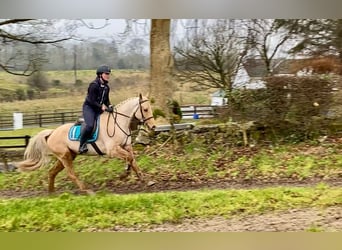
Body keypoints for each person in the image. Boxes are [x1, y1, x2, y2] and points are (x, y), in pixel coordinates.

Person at [79, 65, 112, 154]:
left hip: (98, 108)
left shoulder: (106, 87)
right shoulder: (93, 85)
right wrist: (101, 107)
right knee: (90, 126)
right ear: (100, 75)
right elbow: (91, 100)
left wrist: (110, 106)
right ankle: (82, 145)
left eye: (109, 74)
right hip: (89, 108)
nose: (108, 75)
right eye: (106, 74)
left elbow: (106, 100)